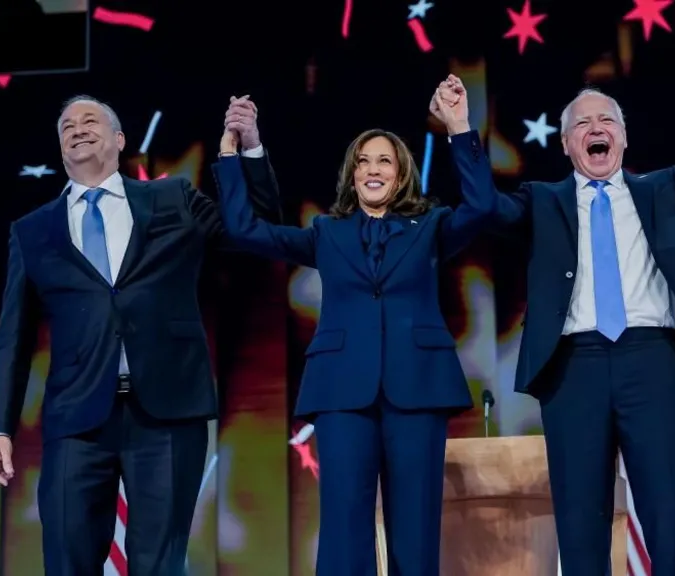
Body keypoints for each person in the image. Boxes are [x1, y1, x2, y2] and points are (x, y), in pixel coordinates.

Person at [485, 29, 675, 576]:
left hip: (653, 360)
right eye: (581, 124)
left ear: (625, 138)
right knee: (582, 524)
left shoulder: (665, 188)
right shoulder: (542, 202)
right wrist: (464, 134)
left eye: (606, 120)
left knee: (673, 515)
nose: (595, 129)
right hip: (573, 367)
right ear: (565, 144)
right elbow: (480, 206)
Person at [0, 94, 282, 575]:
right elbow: (11, 337)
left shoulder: (172, 197)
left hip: (166, 412)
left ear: (119, 140)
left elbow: (254, 233)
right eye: (66, 126)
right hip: (77, 420)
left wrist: (246, 151)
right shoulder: (33, 231)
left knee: (158, 564)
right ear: (61, 150)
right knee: (65, 560)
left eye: (90, 120)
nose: (77, 128)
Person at [211, 75, 495, 575]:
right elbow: (245, 230)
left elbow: (482, 207)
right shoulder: (326, 232)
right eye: (363, 161)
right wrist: (238, 154)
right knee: (343, 530)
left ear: (401, 173)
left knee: (416, 529)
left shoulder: (429, 227)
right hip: (343, 393)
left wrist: (459, 128)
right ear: (351, 174)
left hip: (418, 390)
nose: (372, 168)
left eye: (384, 159)